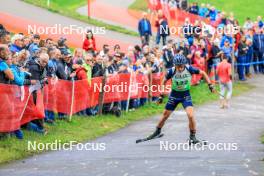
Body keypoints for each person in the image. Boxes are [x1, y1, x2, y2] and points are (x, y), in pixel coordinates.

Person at [146, 54, 215, 144]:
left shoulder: (189, 68)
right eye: (177, 66)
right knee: (165, 116)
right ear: (175, 65)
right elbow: (163, 81)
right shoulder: (171, 71)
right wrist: (161, 95)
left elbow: (203, 73)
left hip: (185, 95)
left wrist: (210, 85)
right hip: (174, 95)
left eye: (181, 66)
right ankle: (157, 131)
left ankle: (192, 137)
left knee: (190, 115)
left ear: (184, 64)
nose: (179, 68)